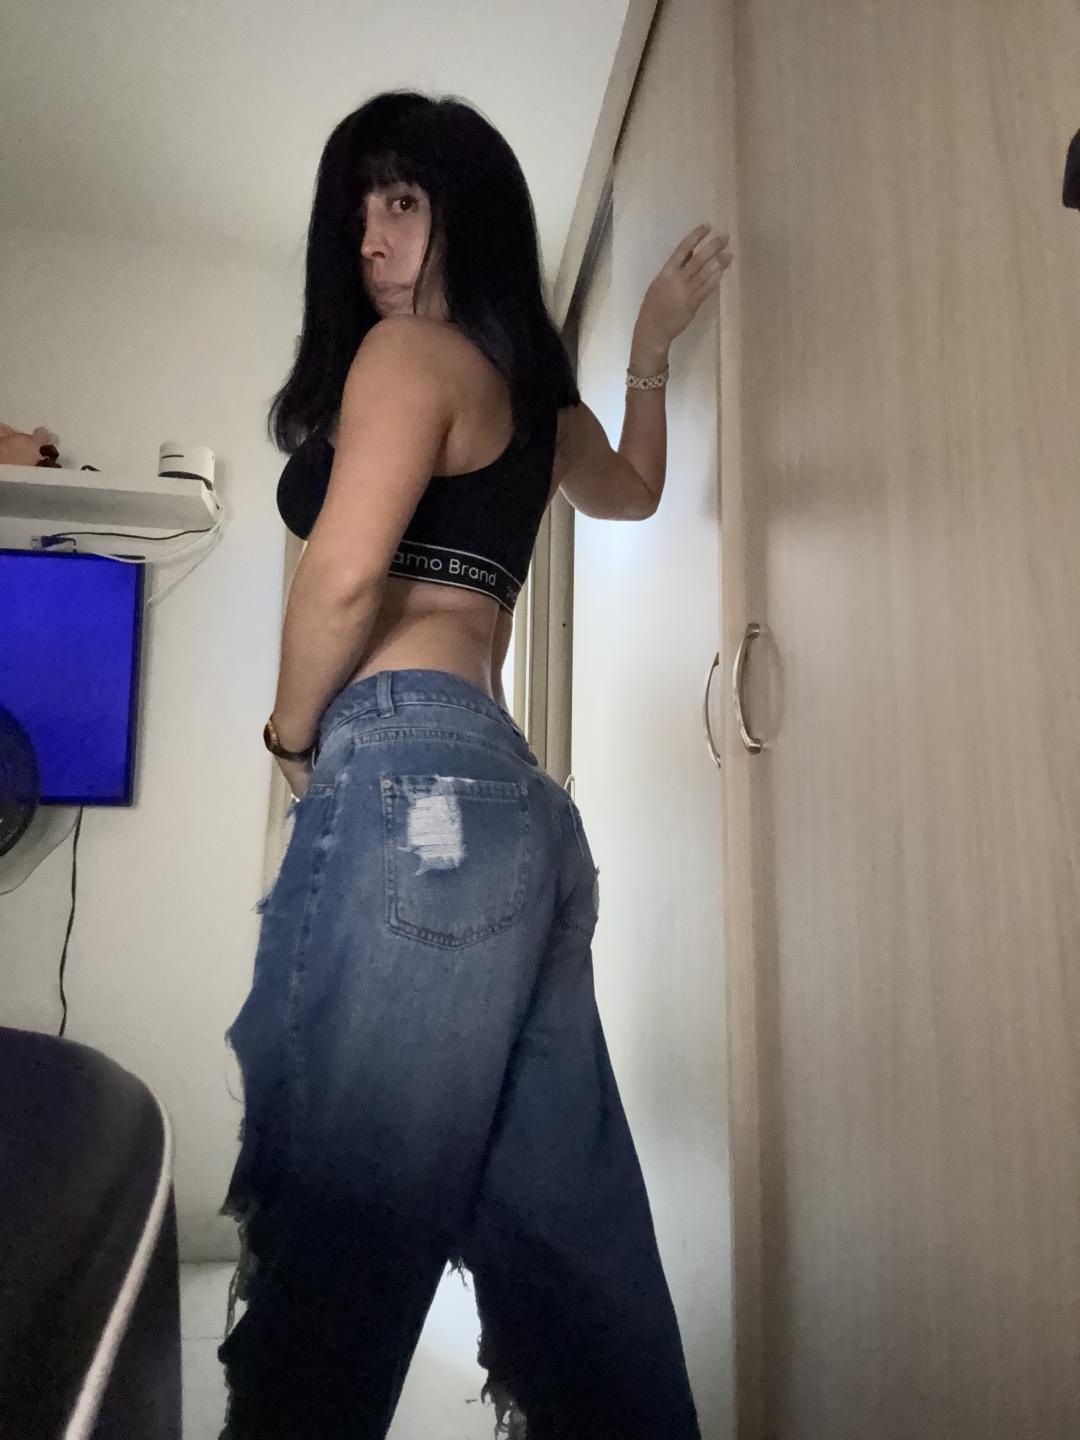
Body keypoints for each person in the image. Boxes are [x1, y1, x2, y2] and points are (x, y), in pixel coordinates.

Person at [217, 89, 732, 1440]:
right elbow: (630, 491)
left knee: (340, 1233)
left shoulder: (407, 356)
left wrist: (288, 741)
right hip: (514, 812)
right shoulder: (529, 400)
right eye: (358, 210)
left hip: (410, 779)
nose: (371, 239)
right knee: (577, 1252)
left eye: (403, 200)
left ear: (471, 215)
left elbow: (340, 581)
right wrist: (651, 350)